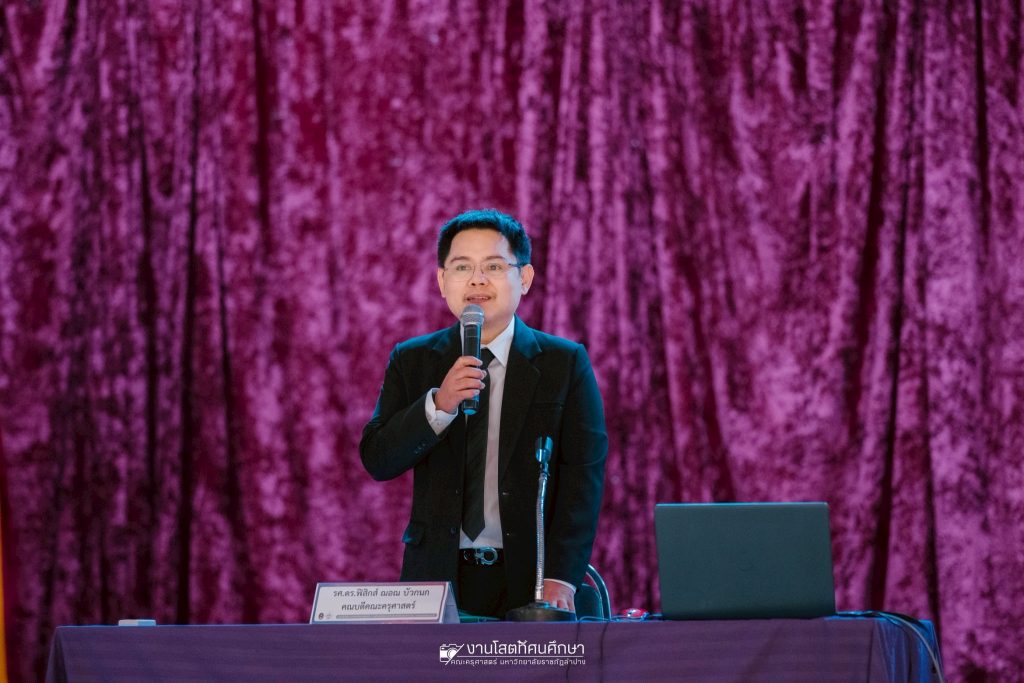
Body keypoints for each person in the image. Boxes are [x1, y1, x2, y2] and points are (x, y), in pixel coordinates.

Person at [360, 209, 608, 618]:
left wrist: (561, 575)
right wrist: (438, 406)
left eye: (493, 266)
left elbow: (583, 478)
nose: (477, 280)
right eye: (462, 267)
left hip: (532, 576)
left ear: (524, 278)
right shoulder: (413, 360)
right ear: (442, 281)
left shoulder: (563, 363)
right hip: (438, 578)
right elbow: (378, 458)